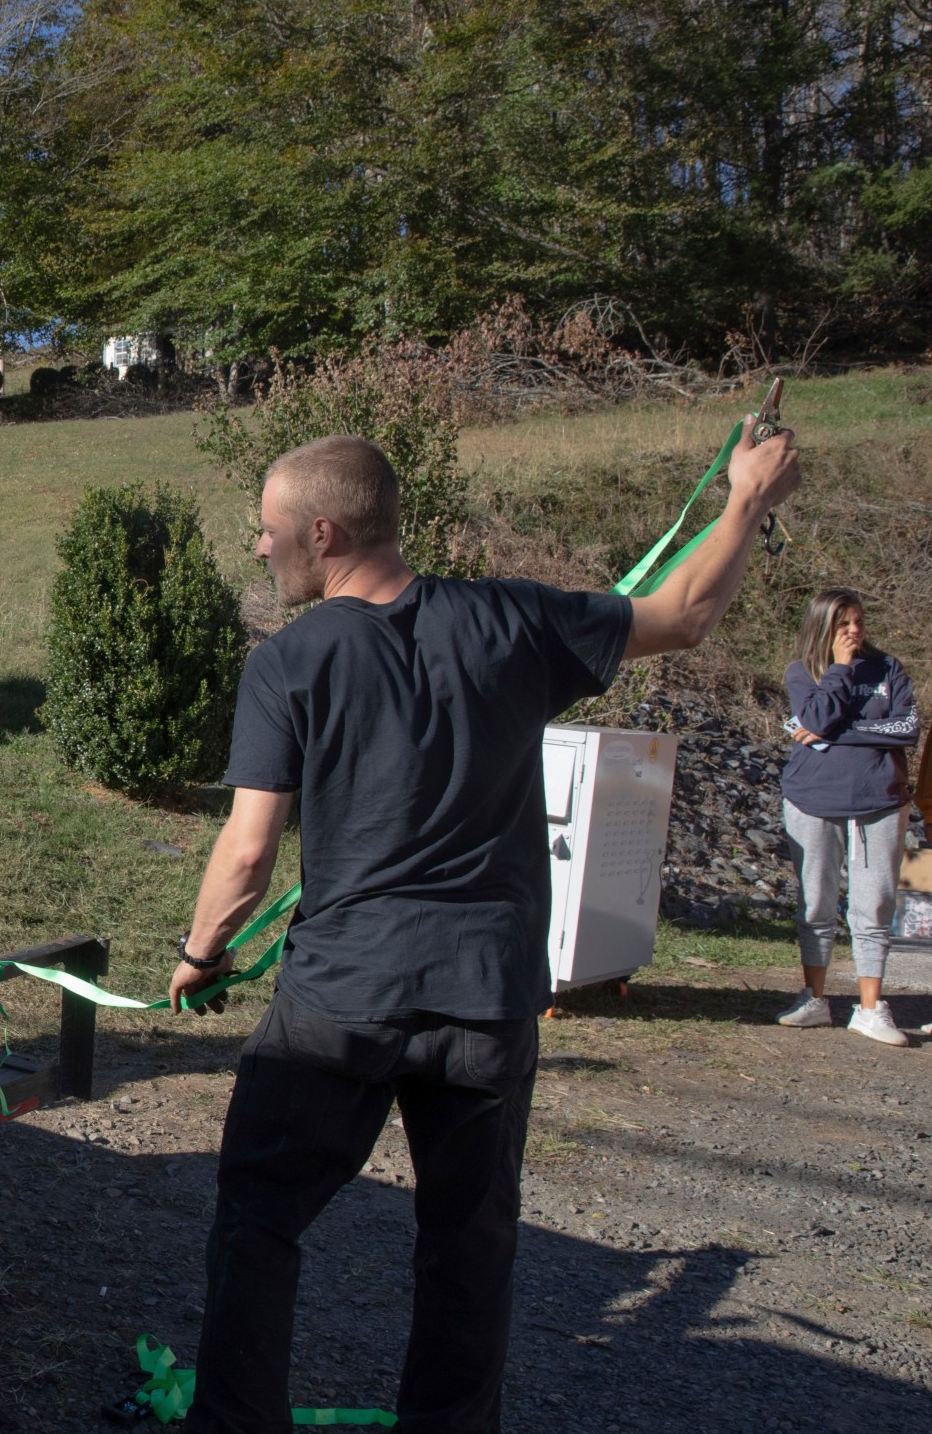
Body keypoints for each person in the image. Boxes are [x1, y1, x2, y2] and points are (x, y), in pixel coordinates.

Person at [170, 423, 800, 1432]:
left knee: (257, 1218)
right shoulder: (511, 621)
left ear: (321, 532)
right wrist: (747, 497)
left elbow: (246, 855)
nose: (258, 547)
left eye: (267, 529)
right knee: (467, 1243)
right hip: (484, 996)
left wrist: (199, 954)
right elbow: (683, 615)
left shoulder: (289, 662)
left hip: (342, 998)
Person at [777, 588, 916, 1044]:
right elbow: (815, 714)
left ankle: (871, 1008)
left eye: (858, 621)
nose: (855, 630)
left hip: (881, 800)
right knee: (815, 903)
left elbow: (905, 728)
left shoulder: (887, 668)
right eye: (844, 624)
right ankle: (813, 1000)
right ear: (824, 627)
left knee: (874, 904)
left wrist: (840, 733)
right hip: (811, 798)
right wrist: (838, 670)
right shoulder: (803, 671)